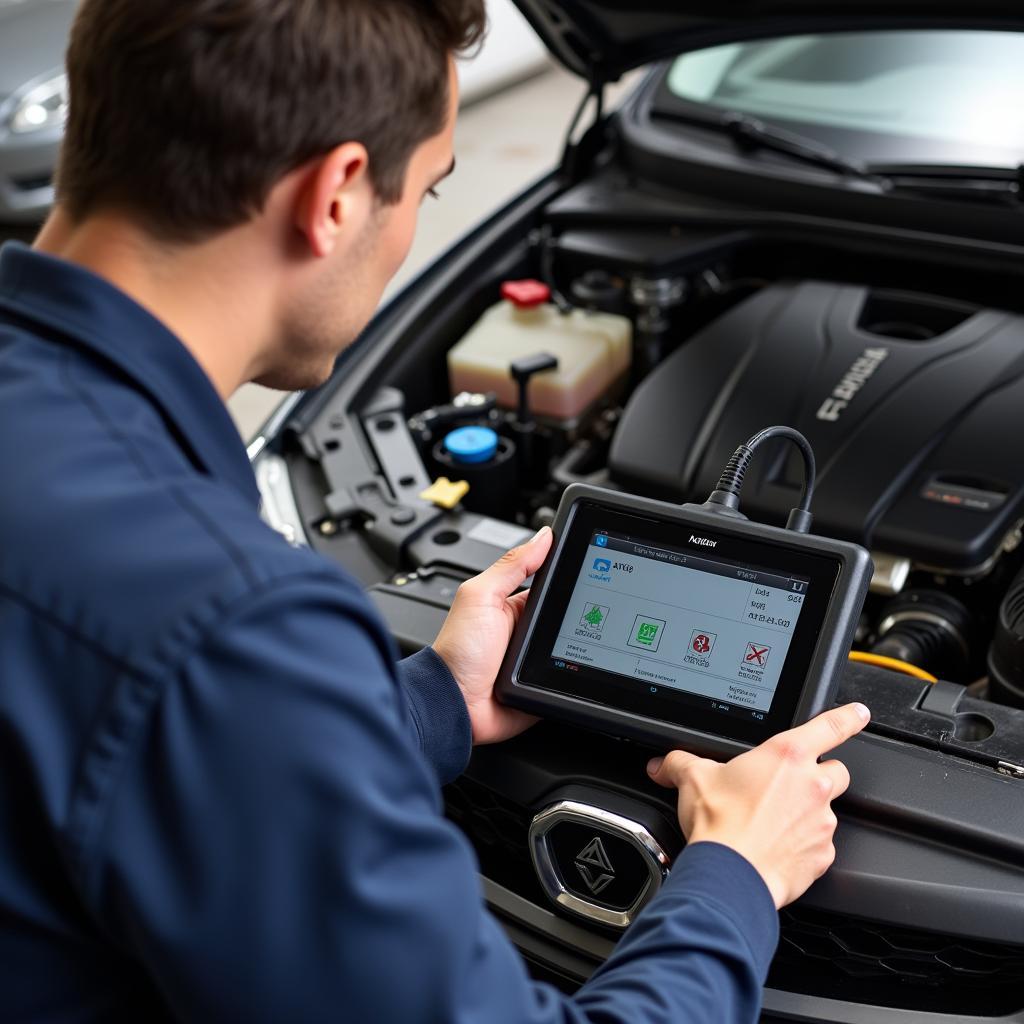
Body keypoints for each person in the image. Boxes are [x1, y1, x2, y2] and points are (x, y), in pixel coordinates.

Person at [0, 1, 869, 1020]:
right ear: (333, 196)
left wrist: (431, 703)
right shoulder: (226, 622)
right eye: (427, 188)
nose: (413, 228)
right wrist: (734, 874)